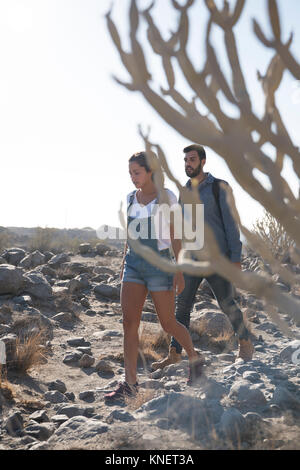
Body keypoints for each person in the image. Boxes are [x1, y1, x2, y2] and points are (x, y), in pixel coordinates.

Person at [104, 151, 204, 402]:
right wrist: (123, 262)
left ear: (150, 172)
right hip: (134, 266)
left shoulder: (166, 197)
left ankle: (194, 359)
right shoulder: (129, 198)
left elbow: (175, 235)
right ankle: (130, 384)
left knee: (168, 323)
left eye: (136, 173)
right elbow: (130, 235)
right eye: (130, 173)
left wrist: (179, 271)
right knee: (129, 324)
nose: (132, 178)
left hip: (160, 266)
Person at [151, 144, 254, 372]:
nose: (188, 163)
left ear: (203, 161)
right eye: (186, 160)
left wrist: (235, 258)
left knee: (227, 303)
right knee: (182, 307)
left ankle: (245, 344)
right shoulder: (184, 191)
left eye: (192, 159)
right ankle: (175, 354)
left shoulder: (219, 188)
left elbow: (231, 224)